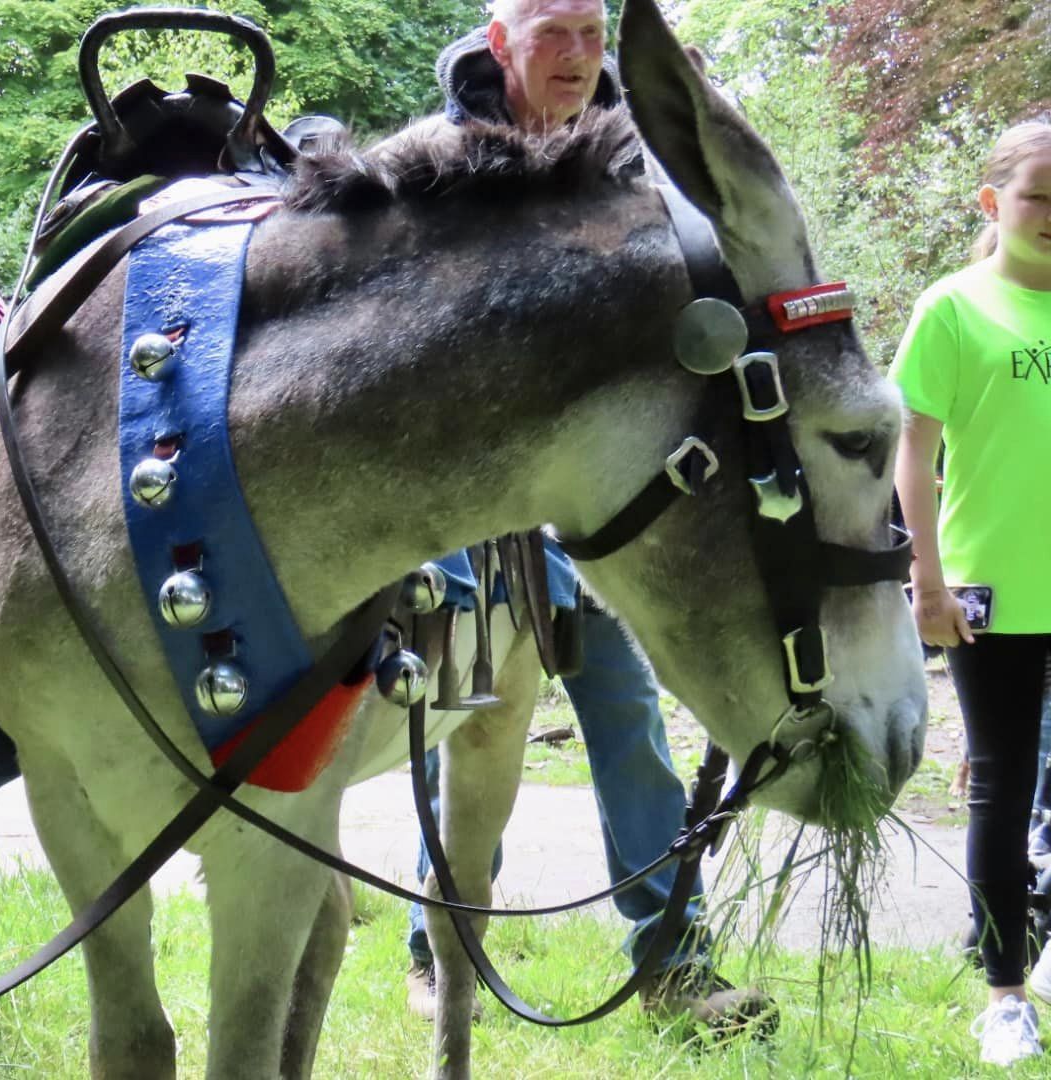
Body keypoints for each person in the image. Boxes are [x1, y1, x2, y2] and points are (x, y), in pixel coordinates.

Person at [403, 0, 770, 1033]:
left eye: (593, 36)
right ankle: (440, 946)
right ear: (498, 40)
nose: (575, 57)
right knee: (463, 723)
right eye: (552, 32)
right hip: (470, 510)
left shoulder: (638, 160)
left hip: (600, 504)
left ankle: (673, 963)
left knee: (629, 721)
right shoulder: (435, 159)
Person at [891, 116, 1051, 1068]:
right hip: (991, 596)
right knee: (1000, 788)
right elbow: (912, 452)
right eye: (1039, 197)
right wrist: (925, 577)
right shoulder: (953, 307)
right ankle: (1004, 995)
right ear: (993, 204)